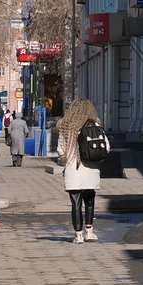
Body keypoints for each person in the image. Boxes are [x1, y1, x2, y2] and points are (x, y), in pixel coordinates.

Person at [56, 99, 103, 244]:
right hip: (91, 168)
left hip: (73, 168)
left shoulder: (66, 126)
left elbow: (61, 150)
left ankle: (78, 235)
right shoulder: (94, 125)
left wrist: (65, 159)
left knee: (76, 203)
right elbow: (104, 147)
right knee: (89, 200)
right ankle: (90, 232)